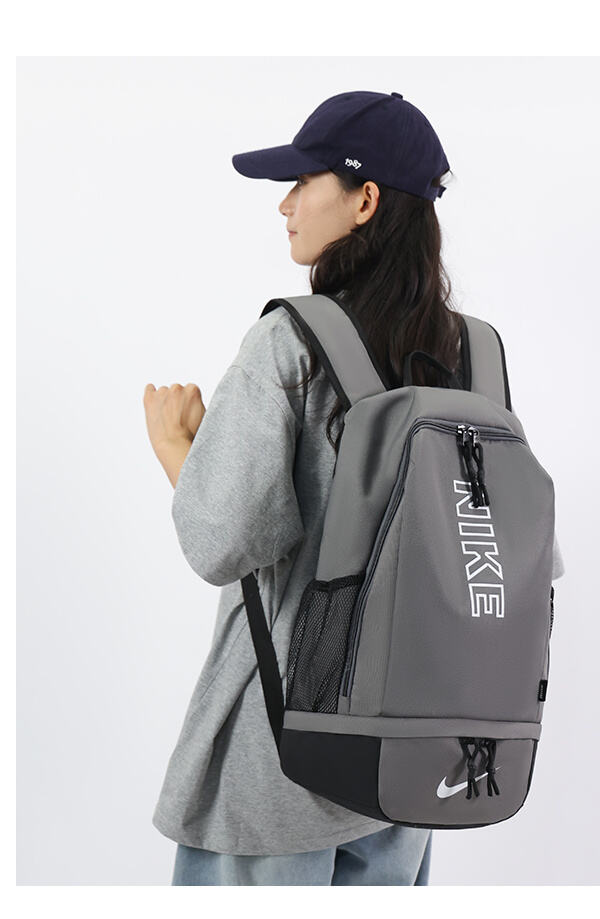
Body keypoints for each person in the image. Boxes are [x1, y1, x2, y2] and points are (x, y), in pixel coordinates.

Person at [142, 90, 565, 886]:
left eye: (305, 181)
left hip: (283, 759)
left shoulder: (289, 342)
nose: (285, 204)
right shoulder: (476, 359)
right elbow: (524, 557)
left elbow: (221, 542)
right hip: (410, 763)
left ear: (365, 199)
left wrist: (176, 447)